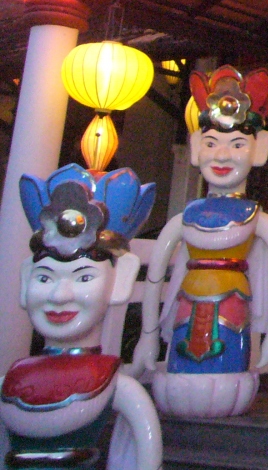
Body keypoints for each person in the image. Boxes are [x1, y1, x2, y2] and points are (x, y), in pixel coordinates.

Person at [135, 66, 268, 419]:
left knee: (229, 361)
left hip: (232, 307)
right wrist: (148, 334)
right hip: (187, 305)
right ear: (195, 147)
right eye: (210, 143)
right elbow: (155, 277)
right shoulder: (186, 216)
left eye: (237, 144)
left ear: (260, 149)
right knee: (182, 356)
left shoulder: (255, 217)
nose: (221, 155)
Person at [4, 168, 162, 470]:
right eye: (45, 277)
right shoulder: (8, 385)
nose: (59, 295)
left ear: (120, 281)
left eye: (84, 277)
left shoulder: (122, 391)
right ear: (25, 280)